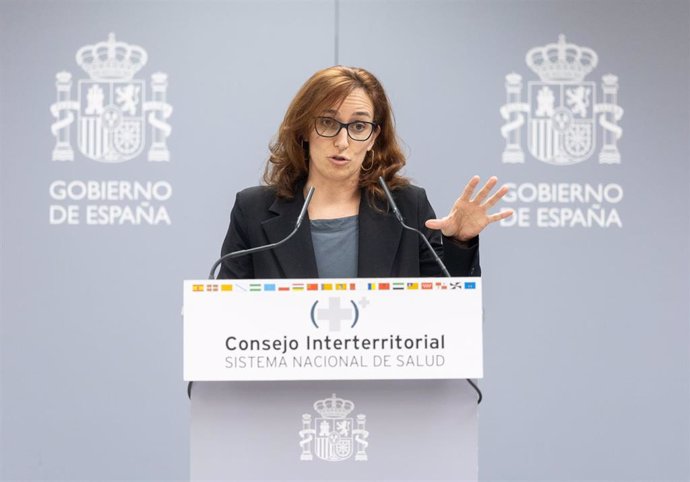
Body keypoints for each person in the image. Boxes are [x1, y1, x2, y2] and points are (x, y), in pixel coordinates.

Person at [217, 66, 512, 280]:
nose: (342, 142)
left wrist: (458, 242)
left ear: (373, 137)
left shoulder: (407, 208)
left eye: (358, 126)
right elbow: (226, 318)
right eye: (328, 123)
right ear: (304, 129)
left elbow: (444, 314)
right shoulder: (252, 211)